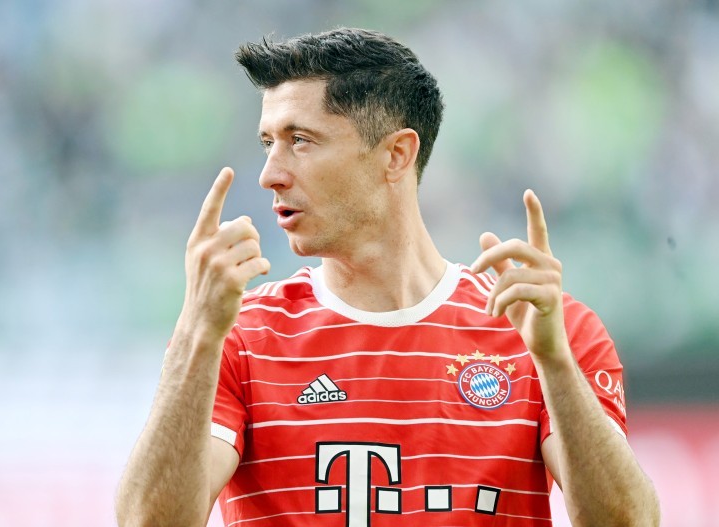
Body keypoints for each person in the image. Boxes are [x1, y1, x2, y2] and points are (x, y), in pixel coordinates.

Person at [116, 27, 659, 526]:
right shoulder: (238, 337)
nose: (269, 174)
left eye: (300, 140)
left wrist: (555, 364)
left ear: (396, 155)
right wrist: (196, 333)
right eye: (267, 142)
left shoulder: (547, 329)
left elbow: (628, 523)